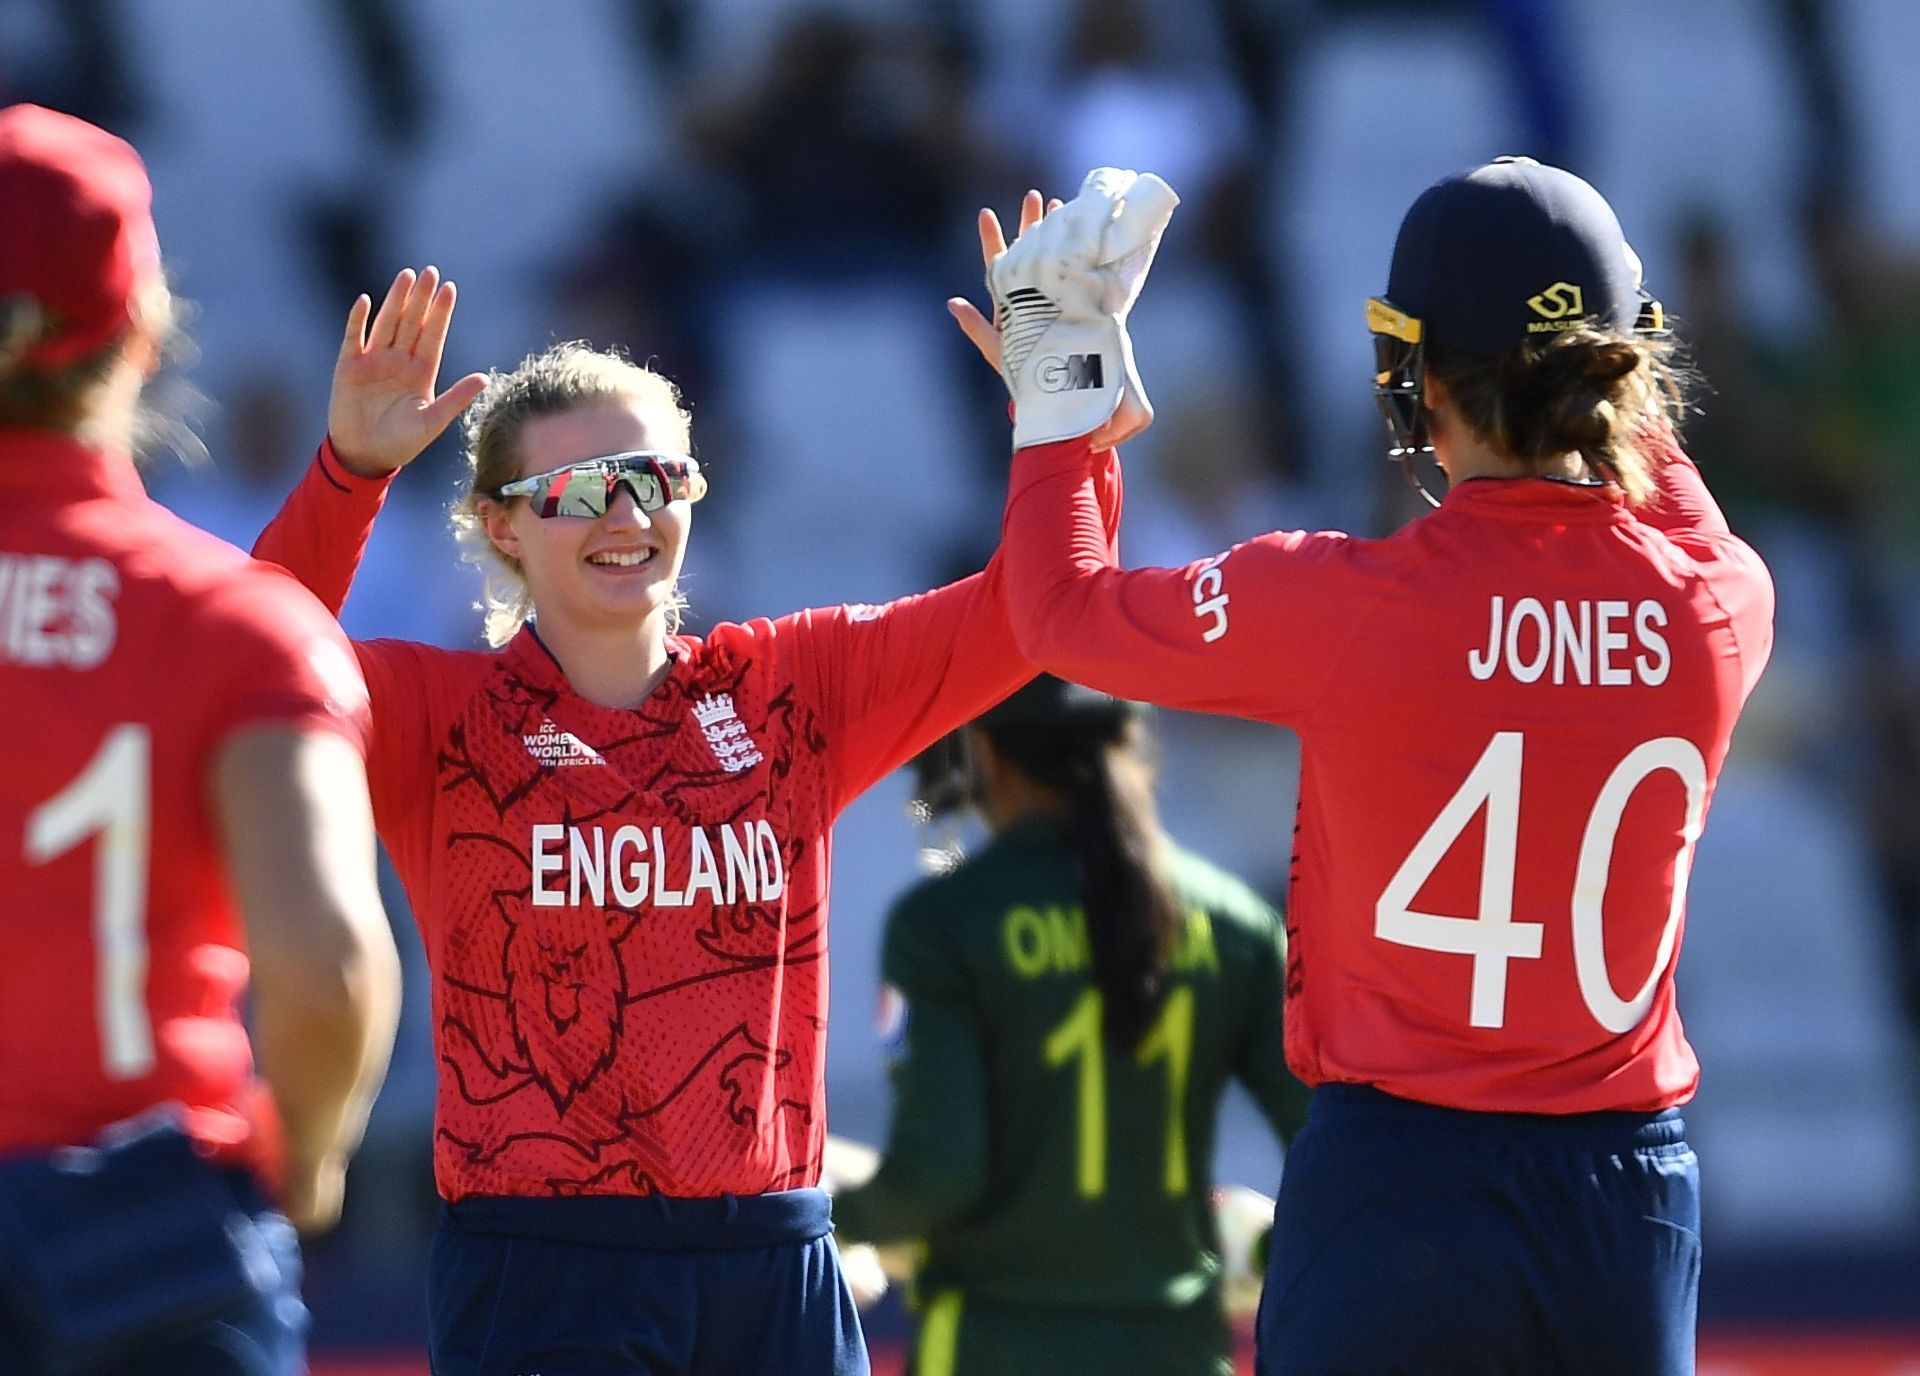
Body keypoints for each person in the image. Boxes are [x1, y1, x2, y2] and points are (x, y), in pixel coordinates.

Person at [245, 196, 1130, 1376]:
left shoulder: (788, 687)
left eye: (654, 475)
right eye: (577, 491)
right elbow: (249, 662)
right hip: (544, 1265)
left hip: (778, 1259)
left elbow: (1040, 607)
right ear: (500, 528)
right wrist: (351, 473)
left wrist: (1062, 399)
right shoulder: (438, 714)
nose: (627, 513)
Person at [963, 162, 1775, 1374]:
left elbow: (1057, 609)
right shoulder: (1725, 604)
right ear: (1625, 369)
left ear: (1419, 380)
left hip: (1397, 1186)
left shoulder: (1341, 603)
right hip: (1624, 1203)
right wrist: (1598, 338)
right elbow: (1658, 494)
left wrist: (1057, 379)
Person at [0, 104, 402, 1375]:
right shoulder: (240, 624)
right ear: (146, 329)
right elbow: (328, 966)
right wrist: (314, 1159)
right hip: (151, 1246)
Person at [826, 674, 1307, 1376]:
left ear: (984, 754)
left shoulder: (944, 925)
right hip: (1181, 1352)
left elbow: (939, 1178)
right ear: (1131, 743)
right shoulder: (1239, 924)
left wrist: (831, 1223)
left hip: (993, 1350)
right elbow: (1335, 1151)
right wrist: (1262, 1249)